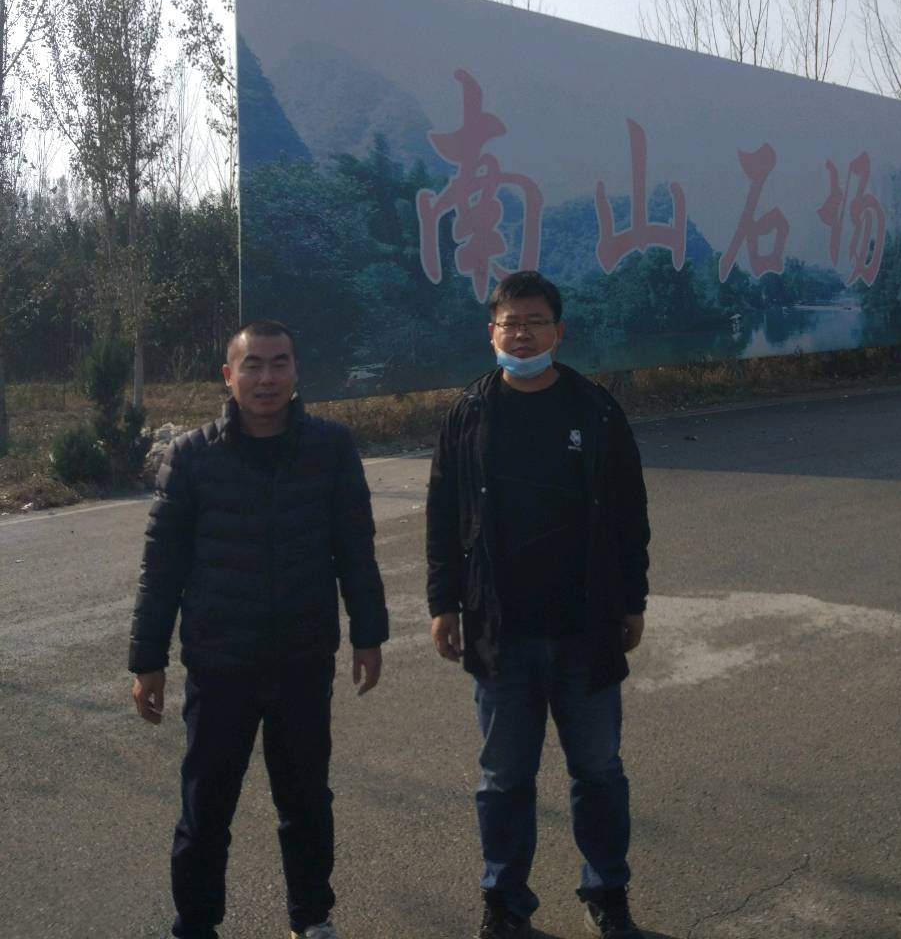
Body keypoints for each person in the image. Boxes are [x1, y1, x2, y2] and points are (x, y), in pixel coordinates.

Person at [128, 319, 388, 939]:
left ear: (296, 372)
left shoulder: (330, 448)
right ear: (229, 375)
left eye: (279, 363)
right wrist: (146, 660)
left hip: (302, 660)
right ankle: (195, 925)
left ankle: (312, 918)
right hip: (220, 664)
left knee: (306, 801)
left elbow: (355, 550)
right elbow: (161, 567)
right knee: (206, 807)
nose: (266, 377)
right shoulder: (192, 456)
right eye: (252, 365)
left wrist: (369, 634)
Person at [426, 271, 651, 939]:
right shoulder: (469, 413)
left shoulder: (595, 410)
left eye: (535, 321)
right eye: (510, 322)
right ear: (491, 332)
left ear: (559, 331)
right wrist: (443, 603)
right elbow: (443, 516)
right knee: (503, 778)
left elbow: (630, 513)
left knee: (599, 772)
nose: (521, 334)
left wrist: (632, 598)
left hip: (586, 628)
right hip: (501, 631)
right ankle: (504, 905)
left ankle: (607, 894)